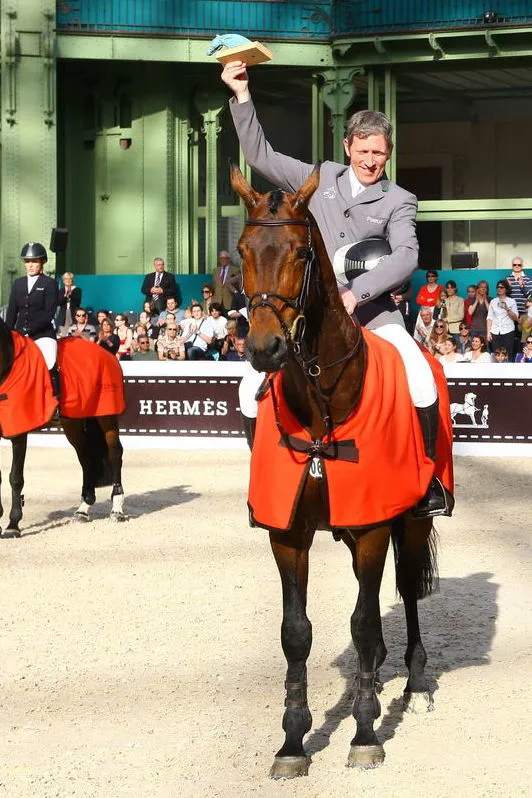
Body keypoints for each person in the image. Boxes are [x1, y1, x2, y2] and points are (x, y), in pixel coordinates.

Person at [222, 60, 447, 517]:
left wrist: (356, 293)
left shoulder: (399, 199)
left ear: (388, 154)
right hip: (310, 317)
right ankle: (264, 482)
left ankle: (428, 483)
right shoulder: (319, 178)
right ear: (348, 147)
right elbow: (261, 157)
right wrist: (242, 96)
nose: (370, 161)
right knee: (250, 388)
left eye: (379, 154)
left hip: (372, 314)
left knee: (421, 380)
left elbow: (406, 257)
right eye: (363, 151)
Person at [6, 242, 60, 402]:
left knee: (49, 360)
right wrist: (9, 333)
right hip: (19, 334)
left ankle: (55, 399)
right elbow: (12, 312)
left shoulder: (49, 284)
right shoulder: (18, 283)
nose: (30, 265)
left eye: (34, 261)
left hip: (43, 334)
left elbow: (49, 313)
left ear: (42, 262)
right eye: (27, 262)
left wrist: (29, 329)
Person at [486, 279, 518, 359]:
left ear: (506, 289)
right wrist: (488, 333)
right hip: (495, 331)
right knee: (496, 354)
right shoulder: (493, 301)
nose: (499, 289)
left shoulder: (511, 301)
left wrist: (507, 308)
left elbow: (516, 318)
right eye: (498, 287)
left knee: (508, 354)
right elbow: (489, 318)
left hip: (508, 331)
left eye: (502, 287)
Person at [57, 272, 82, 337]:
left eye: (70, 279)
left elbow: (77, 302)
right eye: (66, 279)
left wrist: (70, 294)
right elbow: (59, 302)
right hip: (63, 314)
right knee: (64, 335)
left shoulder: (77, 290)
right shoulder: (61, 291)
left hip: (73, 313)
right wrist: (65, 296)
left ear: (72, 280)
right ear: (63, 281)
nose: (68, 280)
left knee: (73, 334)